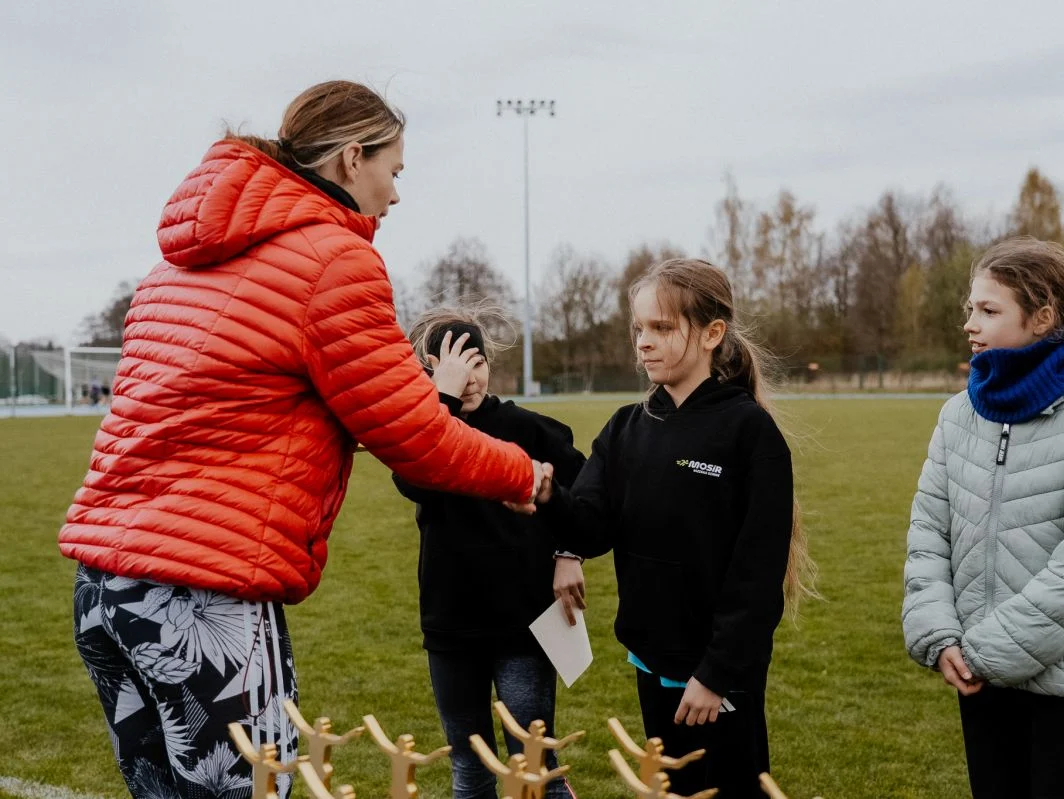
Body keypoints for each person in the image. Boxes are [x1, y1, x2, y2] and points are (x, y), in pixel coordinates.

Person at [59, 80, 552, 799]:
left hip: (104, 588)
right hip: (203, 596)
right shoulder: (332, 258)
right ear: (353, 158)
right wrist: (519, 472)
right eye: (395, 169)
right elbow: (414, 433)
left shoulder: (175, 264)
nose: (397, 191)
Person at [537, 258, 818, 797]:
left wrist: (717, 675)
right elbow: (592, 528)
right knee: (673, 791)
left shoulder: (748, 432)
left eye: (662, 328)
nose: (644, 342)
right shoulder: (625, 428)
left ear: (713, 333)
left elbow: (757, 574)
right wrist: (550, 498)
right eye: (639, 328)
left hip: (717, 675)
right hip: (651, 659)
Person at [902, 237, 1064, 799]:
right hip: (973, 673)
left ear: (1042, 317)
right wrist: (941, 636)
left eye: (989, 310)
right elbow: (927, 533)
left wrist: (991, 652)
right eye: (970, 307)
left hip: (1057, 681)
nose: (970, 322)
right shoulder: (959, 412)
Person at [392, 306, 587, 799]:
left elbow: (588, 500)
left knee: (536, 768)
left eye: (475, 361)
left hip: (523, 624)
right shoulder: (418, 439)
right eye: (451, 364)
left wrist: (570, 552)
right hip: (451, 627)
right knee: (470, 770)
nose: (469, 377)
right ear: (428, 370)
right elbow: (416, 480)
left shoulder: (533, 429)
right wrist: (443, 400)